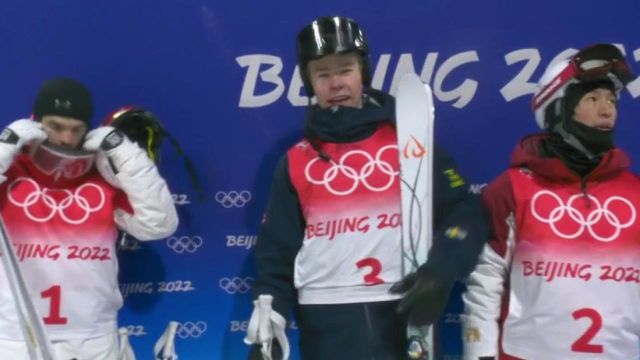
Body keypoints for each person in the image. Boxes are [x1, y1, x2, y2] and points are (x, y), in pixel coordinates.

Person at [245, 16, 487, 359]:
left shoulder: (409, 140)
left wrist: (442, 269)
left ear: (363, 72)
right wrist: (267, 329)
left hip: (403, 304)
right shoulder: (296, 160)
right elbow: (277, 253)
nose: (336, 83)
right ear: (310, 82)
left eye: (345, 69)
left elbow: (467, 211)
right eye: (322, 74)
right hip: (325, 314)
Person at [462, 44, 640, 360]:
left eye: (611, 100)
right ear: (557, 108)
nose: (607, 109)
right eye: (592, 98)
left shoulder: (634, 193)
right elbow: (484, 287)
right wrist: (480, 354)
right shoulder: (512, 189)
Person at [0, 77, 178, 359]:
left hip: (91, 337)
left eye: (76, 129)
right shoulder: (9, 174)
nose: (66, 139)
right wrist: (4, 146)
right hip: (15, 336)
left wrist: (123, 151)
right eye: (55, 126)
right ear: (34, 123)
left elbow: (159, 225)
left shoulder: (101, 177)